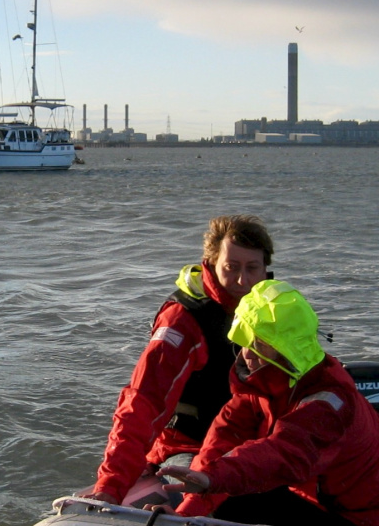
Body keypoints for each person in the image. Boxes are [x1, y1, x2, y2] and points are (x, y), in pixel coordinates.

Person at [160, 280, 379, 526]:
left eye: (258, 342)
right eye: (246, 340)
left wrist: (213, 480)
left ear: (285, 346)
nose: (247, 354)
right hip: (322, 497)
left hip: (367, 518)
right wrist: (189, 509)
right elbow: (223, 440)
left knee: (234, 504)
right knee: (225, 493)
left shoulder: (328, 400)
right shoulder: (260, 381)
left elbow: (286, 453)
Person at [89, 215, 274, 507]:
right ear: (211, 262)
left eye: (252, 268)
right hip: (190, 446)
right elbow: (142, 403)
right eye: (231, 267)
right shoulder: (183, 322)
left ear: (266, 269)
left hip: (254, 442)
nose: (243, 280)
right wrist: (110, 487)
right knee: (221, 503)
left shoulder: (274, 311)